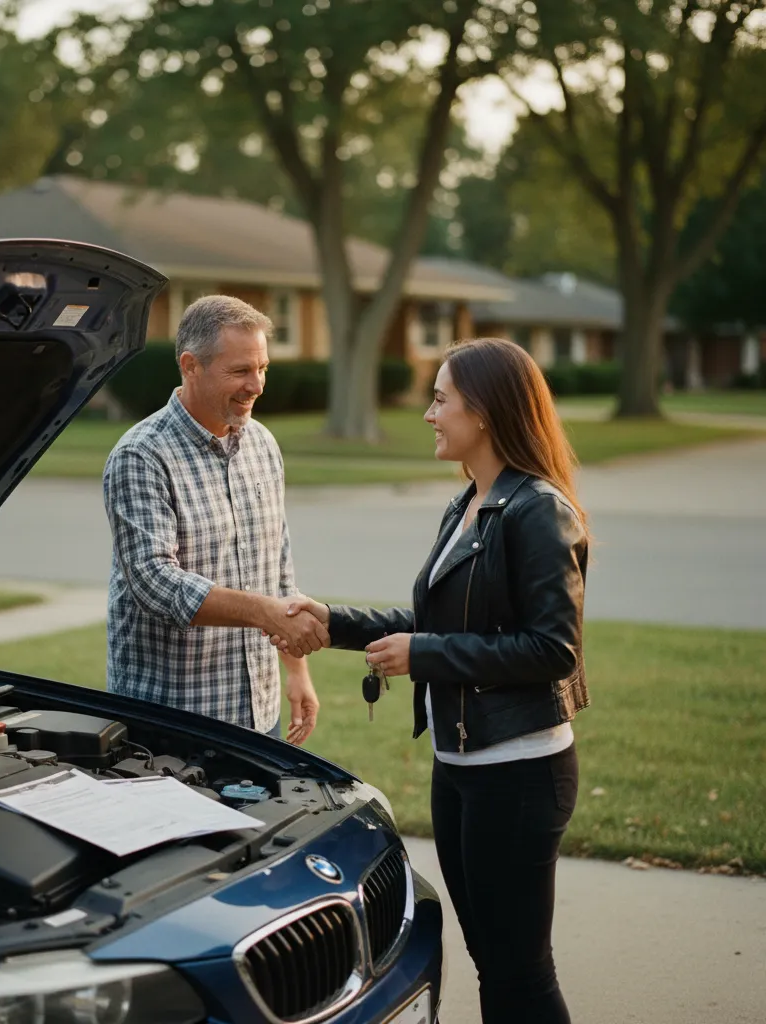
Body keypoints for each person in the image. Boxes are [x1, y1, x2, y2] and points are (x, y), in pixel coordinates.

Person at [280, 337, 589, 1023]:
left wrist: (427, 656)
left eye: (440, 398)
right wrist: (334, 622)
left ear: (482, 411)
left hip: (518, 771)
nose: (429, 414)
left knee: (520, 972)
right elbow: (432, 618)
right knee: (493, 963)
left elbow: (553, 648)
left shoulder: (538, 509)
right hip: (460, 765)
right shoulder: (469, 504)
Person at [102, 294, 324, 744]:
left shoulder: (262, 445)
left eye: (262, 368)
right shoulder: (141, 455)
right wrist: (264, 613)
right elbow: (155, 583)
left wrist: (297, 671)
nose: (257, 385)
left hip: (257, 711)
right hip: (172, 719)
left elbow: (276, 568)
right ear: (190, 365)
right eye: (240, 371)